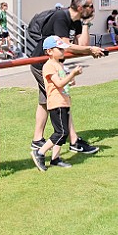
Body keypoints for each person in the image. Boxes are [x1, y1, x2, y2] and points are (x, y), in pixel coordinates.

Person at [29, 0, 105, 153]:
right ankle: (74, 141)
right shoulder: (60, 17)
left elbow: (83, 45)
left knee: (44, 101)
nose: (93, 9)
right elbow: (66, 45)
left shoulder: (76, 21)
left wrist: (86, 24)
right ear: (79, 7)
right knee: (61, 100)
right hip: (43, 64)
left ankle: (37, 139)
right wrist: (90, 49)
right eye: (90, 6)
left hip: (54, 64)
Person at [31, 36, 83, 170]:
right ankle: (40, 152)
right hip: (56, 102)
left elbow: (65, 81)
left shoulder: (59, 64)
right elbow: (59, 83)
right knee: (60, 132)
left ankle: (55, 159)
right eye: (59, 49)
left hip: (64, 101)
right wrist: (72, 74)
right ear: (49, 51)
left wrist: (71, 79)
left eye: (63, 49)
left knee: (63, 133)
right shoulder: (48, 66)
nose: (62, 51)